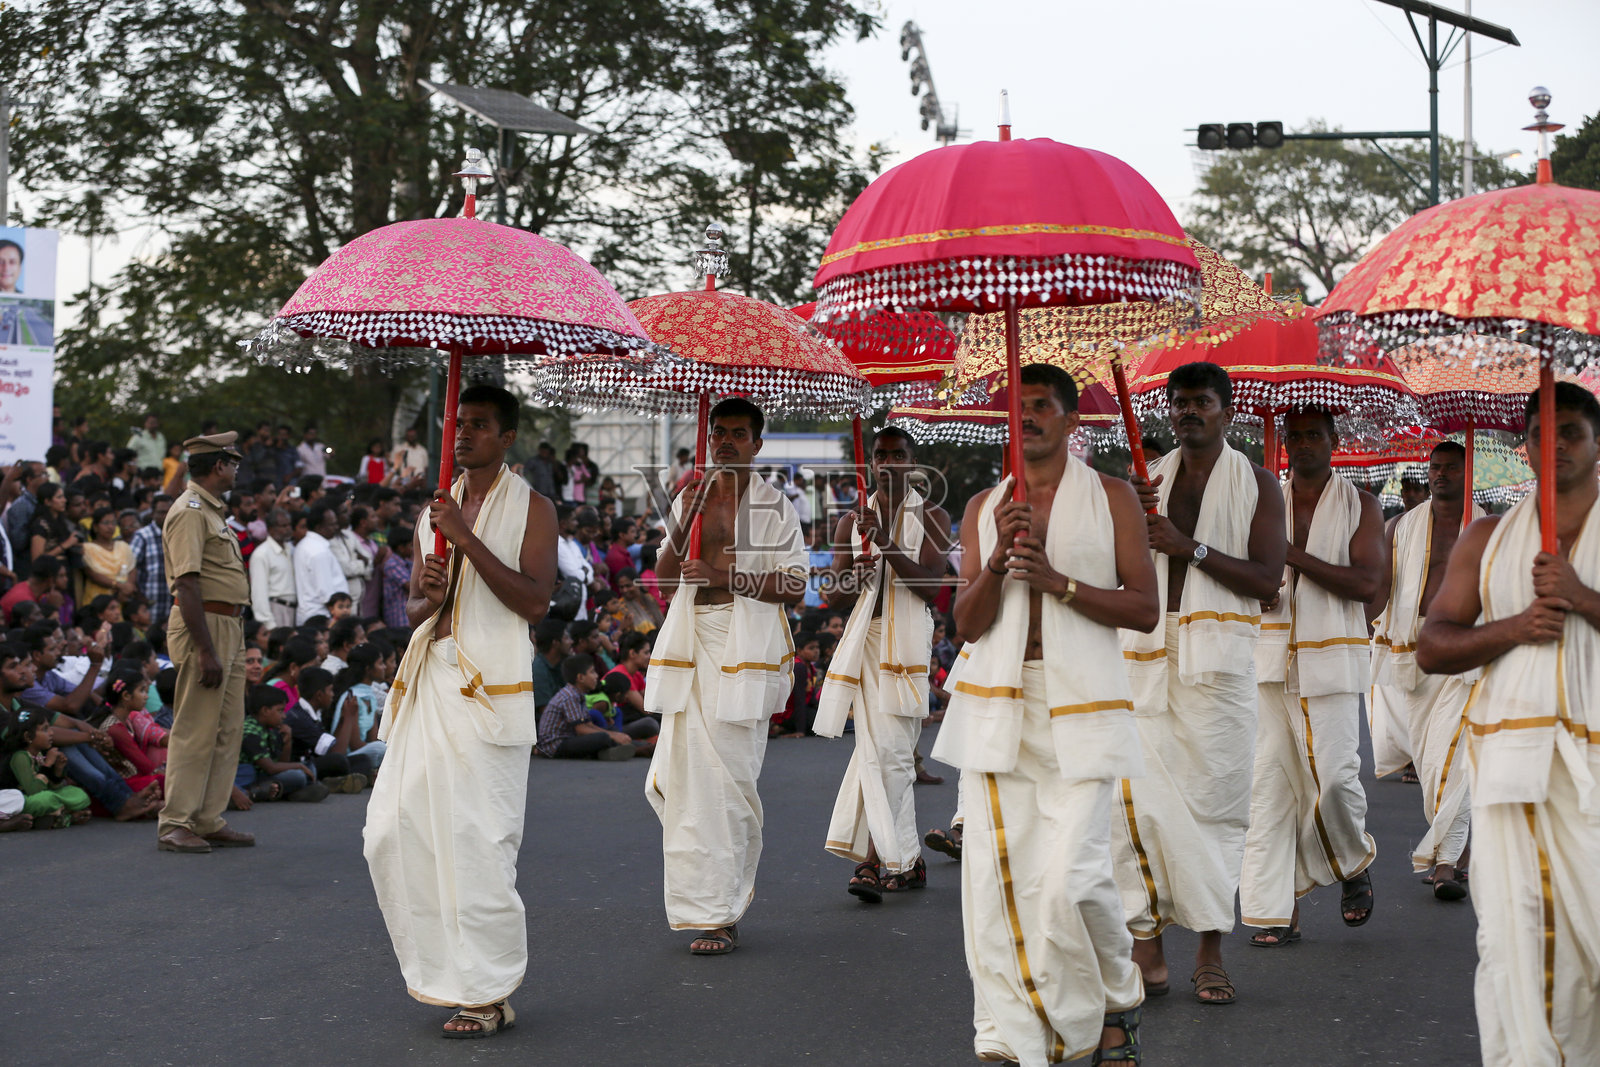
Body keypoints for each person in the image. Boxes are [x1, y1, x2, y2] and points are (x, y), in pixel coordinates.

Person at [931, 364, 1158, 1064]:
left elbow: (1145, 609)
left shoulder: (1115, 498)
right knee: (1000, 887)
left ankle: (1119, 991)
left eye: (1040, 407)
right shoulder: (982, 506)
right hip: (1001, 712)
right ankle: (1009, 1034)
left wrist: (1057, 582)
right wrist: (1000, 557)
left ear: (1070, 421)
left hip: (1084, 710)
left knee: (1075, 880)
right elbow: (966, 624)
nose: (1026, 417)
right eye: (1017, 408)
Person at [363, 384, 557, 1039]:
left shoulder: (534, 508)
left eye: (478, 425)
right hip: (430, 680)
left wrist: (465, 538)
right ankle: (451, 973)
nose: (463, 434)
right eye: (457, 423)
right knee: (392, 830)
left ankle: (486, 989)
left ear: (507, 438)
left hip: (491, 690)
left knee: (479, 843)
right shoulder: (433, 511)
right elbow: (418, 613)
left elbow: (534, 601)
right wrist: (426, 594)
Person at [1416, 382, 1600, 1066]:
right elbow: (1434, 643)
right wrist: (1518, 625)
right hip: (1510, 773)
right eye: (1541, 433)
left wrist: (1582, 597)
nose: (1554, 445)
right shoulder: (1488, 540)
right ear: (1521, 448)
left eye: (1571, 431)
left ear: (1597, 444)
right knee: (1513, 948)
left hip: (1594, 779)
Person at [1113, 361, 1285, 1006]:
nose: (1189, 412)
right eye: (1180, 403)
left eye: (1202, 402)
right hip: (1145, 654)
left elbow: (1269, 580)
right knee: (1136, 803)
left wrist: (1190, 548)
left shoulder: (1261, 485)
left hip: (1220, 665)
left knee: (1216, 806)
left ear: (1226, 411)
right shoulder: (1144, 483)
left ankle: (1210, 950)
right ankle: (1146, 941)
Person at [646, 398, 807, 955]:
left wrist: (719, 573)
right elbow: (666, 585)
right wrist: (683, 524)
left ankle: (722, 912)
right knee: (685, 782)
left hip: (748, 651)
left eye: (739, 434)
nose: (727, 442)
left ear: (758, 444)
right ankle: (702, 904)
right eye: (720, 433)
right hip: (693, 645)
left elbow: (793, 587)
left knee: (729, 785)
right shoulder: (689, 497)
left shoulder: (775, 507)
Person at [1239, 410, 1383, 948]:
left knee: (1336, 780)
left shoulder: (1360, 506)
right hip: (1268, 660)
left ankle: (1352, 862)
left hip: (1333, 664)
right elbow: (1243, 573)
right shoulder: (1261, 499)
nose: (1301, 445)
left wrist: (1291, 556)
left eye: (1312, 435)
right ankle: (1272, 911)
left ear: (1333, 441)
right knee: (1270, 789)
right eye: (1293, 435)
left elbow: (1367, 583)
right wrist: (1259, 585)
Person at [815, 426, 951, 900]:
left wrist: (887, 547)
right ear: (871, 462)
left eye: (898, 455)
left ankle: (875, 860)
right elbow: (832, 596)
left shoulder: (931, 516)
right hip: (863, 641)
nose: (888, 463)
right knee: (880, 752)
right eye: (880, 456)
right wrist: (855, 573)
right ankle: (902, 861)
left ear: (911, 462)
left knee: (889, 751)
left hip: (910, 639)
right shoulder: (851, 520)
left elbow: (934, 587)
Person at [1369, 441, 1481, 901]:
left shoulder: (1488, 530)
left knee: (1452, 755)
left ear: (1467, 472)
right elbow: (1378, 591)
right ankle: (1457, 848)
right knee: (1431, 759)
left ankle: (1445, 862)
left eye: (1451, 468)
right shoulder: (1399, 528)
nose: (1439, 475)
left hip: (1468, 649)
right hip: (1412, 652)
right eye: (1434, 467)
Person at [157, 431, 256, 854]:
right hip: (206, 625)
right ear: (218, 465)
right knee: (196, 728)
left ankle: (207, 818)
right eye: (232, 462)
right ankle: (176, 821)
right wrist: (203, 648)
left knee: (227, 727)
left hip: (228, 624)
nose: (235, 470)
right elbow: (187, 584)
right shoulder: (191, 511)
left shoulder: (212, 511)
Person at [536, 653, 654, 759]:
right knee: (603, 738)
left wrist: (615, 734)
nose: (597, 676)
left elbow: (588, 724)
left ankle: (640, 747)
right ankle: (638, 750)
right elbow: (581, 729)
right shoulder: (570, 696)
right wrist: (612, 736)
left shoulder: (578, 694)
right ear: (580, 678)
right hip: (554, 746)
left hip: (569, 738)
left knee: (610, 732)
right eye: (592, 672)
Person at [235, 684, 329, 803]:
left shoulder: (269, 728)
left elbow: (282, 762)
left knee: (309, 766)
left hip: (265, 773)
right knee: (298, 776)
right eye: (280, 711)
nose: (284, 716)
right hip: (252, 776)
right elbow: (270, 768)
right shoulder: (250, 732)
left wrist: (288, 741)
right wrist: (298, 766)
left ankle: (292, 792)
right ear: (265, 711)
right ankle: (265, 791)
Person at [292, 504, 348, 625]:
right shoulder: (318, 551)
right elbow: (325, 592)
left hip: (312, 613)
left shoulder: (305, 544)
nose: (336, 527)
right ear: (319, 527)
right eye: (332, 524)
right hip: (321, 616)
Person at [127, 494, 173, 624]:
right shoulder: (142, 536)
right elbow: (130, 566)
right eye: (161, 512)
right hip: (149, 606)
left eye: (169, 512)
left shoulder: (178, 535)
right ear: (152, 513)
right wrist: (138, 596)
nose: (166, 516)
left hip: (172, 605)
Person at [249, 509, 297, 627]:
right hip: (276, 609)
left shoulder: (290, 549)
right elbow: (258, 592)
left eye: (289, 525)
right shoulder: (262, 554)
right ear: (271, 529)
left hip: (293, 609)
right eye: (283, 526)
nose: (288, 529)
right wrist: (268, 622)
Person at [81, 507, 137, 602]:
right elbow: (92, 573)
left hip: (122, 597)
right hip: (97, 599)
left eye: (113, 523)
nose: (111, 527)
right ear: (95, 527)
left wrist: (128, 588)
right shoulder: (87, 548)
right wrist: (119, 585)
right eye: (106, 523)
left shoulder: (123, 546)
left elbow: (132, 569)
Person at [531, 618, 571, 708]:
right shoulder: (538, 671)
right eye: (566, 638)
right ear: (555, 643)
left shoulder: (561, 664)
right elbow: (546, 712)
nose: (571, 642)